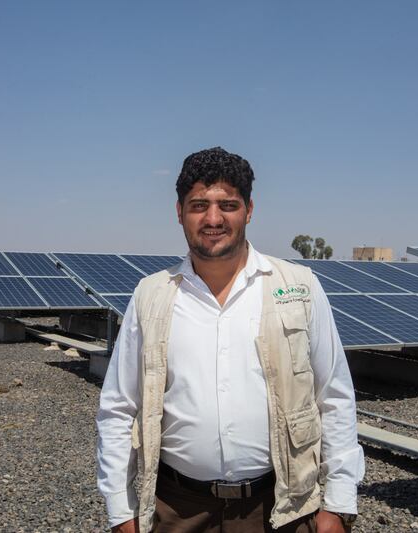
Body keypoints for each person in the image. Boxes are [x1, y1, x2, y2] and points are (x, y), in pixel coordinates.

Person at [96, 147, 365, 532]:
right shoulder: (151, 295)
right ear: (179, 212)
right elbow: (118, 408)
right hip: (177, 511)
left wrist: (338, 504)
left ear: (249, 210)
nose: (213, 218)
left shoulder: (300, 287)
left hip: (280, 508)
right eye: (199, 205)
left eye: (228, 204)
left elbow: (334, 397)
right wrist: (120, 510)